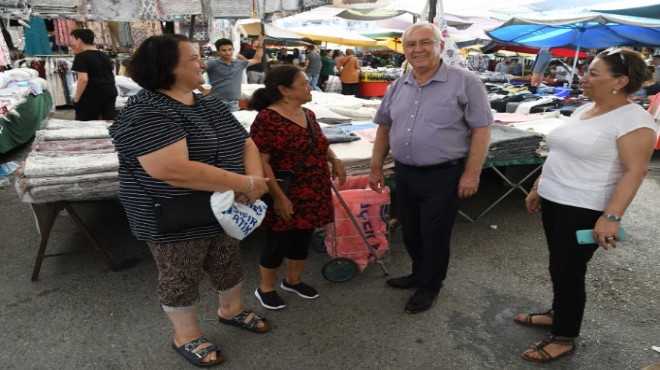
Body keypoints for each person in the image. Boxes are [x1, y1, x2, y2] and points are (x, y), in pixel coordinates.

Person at [108, 34, 272, 367]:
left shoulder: (206, 102)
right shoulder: (146, 110)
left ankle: (231, 310)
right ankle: (185, 334)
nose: (203, 63)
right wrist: (245, 182)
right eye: (194, 58)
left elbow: (247, 143)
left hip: (223, 207)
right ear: (167, 67)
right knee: (180, 273)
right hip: (173, 213)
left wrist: (253, 184)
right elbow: (172, 170)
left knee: (227, 259)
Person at [515, 48, 657, 363]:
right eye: (586, 71)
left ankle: (564, 335)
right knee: (559, 263)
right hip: (555, 199)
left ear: (619, 81)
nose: (583, 77)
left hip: (584, 207)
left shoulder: (635, 121)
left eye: (593, 73)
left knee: (568, 269)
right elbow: (560, 152)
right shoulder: (587, 109)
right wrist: (539, 185)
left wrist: (611, 217)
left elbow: (635, 172)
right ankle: (558, 313)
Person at [368, 23, 492, 314]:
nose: (417, 49)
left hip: (444, 174)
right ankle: (418, 272)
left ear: (440, 46)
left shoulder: (466, 82)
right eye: (410, 44)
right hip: (405, 173)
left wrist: (472, 173)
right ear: (404, 49)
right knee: (411, 231)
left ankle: (430, 285)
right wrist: (375, 167)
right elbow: (384, 127)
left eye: (425, 42)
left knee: (434, 234)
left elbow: (482, 130)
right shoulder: (399, 84)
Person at [248, 65, 346, 310]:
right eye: (304, 83)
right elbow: (262, 161)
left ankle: (293, 280)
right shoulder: (267, 119)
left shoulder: (308, 114)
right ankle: (266, 287)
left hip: (313, 188)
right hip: (286, 190)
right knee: (279, 240)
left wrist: (334, 160)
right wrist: (278, 197)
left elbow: (321, 144)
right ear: (284, 90)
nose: (309, 86)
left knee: (303, 236)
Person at [203, 35, 265, 112]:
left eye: (230, 49)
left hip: (234, 103)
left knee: (231, 124)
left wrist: (261, 42)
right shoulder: (212, 63)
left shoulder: (239, 63)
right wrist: (201, 88)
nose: (228, 53)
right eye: (224, 50)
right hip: (216, 102)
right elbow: (192, 72)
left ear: (233, 49)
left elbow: (257, 59)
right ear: (218, 52)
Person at [70, 29, 117, 121]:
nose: (73, 43)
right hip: (110, 91)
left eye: (73, 40)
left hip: (92, 95)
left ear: (79, 40)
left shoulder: (81, 57)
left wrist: (76, 99)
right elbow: (112, 75)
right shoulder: (104, 55)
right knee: (109, 122)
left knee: (86, 125)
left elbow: (83, 79)